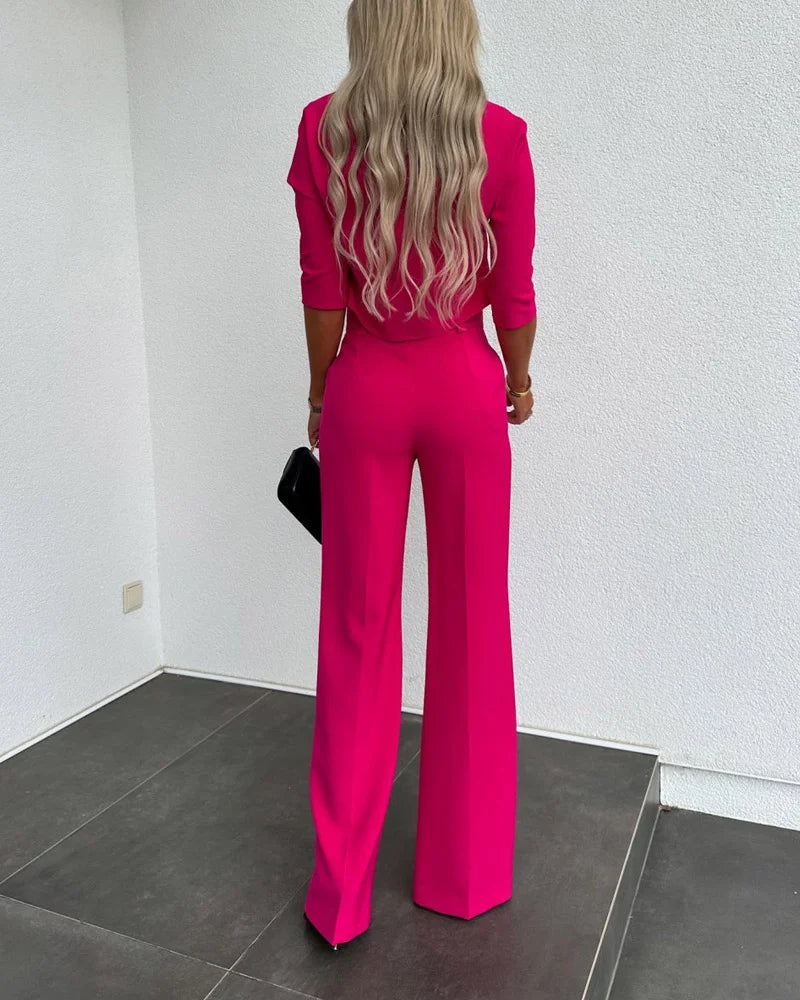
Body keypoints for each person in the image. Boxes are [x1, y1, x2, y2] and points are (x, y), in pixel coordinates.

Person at [286, 0, 537, 950]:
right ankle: (465, 878)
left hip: (368, 384)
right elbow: (514, 293)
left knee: (356, 629)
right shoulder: (500, 137)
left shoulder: (322, 130)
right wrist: (518, 378)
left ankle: (340, 899)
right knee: (473, 624)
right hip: (465, 384)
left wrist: (322, 392)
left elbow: (322, 290)